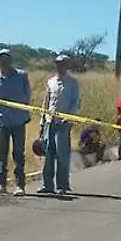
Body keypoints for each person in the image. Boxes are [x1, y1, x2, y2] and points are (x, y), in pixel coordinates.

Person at [0, 48, 32, 195]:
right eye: (1, 60)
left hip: (19, 121)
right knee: (2, 153)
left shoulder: (21, 76)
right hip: (3, 122)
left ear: (11, 61)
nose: (4, 62)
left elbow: (27, 96)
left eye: (6, 59)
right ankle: (1, 184)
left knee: (18, 153)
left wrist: (20, 108)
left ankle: (20, 185)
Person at [38, 54, 81, 195]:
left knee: (62, 154)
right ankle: (47, 185)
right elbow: (46, 101)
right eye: (57, 63)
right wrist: (42, 120)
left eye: (62, 63)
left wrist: (69, 117)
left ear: (67, 65)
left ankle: (62, 184)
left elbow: (76, 102)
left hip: (63, 122)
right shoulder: (51, 81)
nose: (59, 66)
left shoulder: (73, 82)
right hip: (49, 121)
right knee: (48, 153)